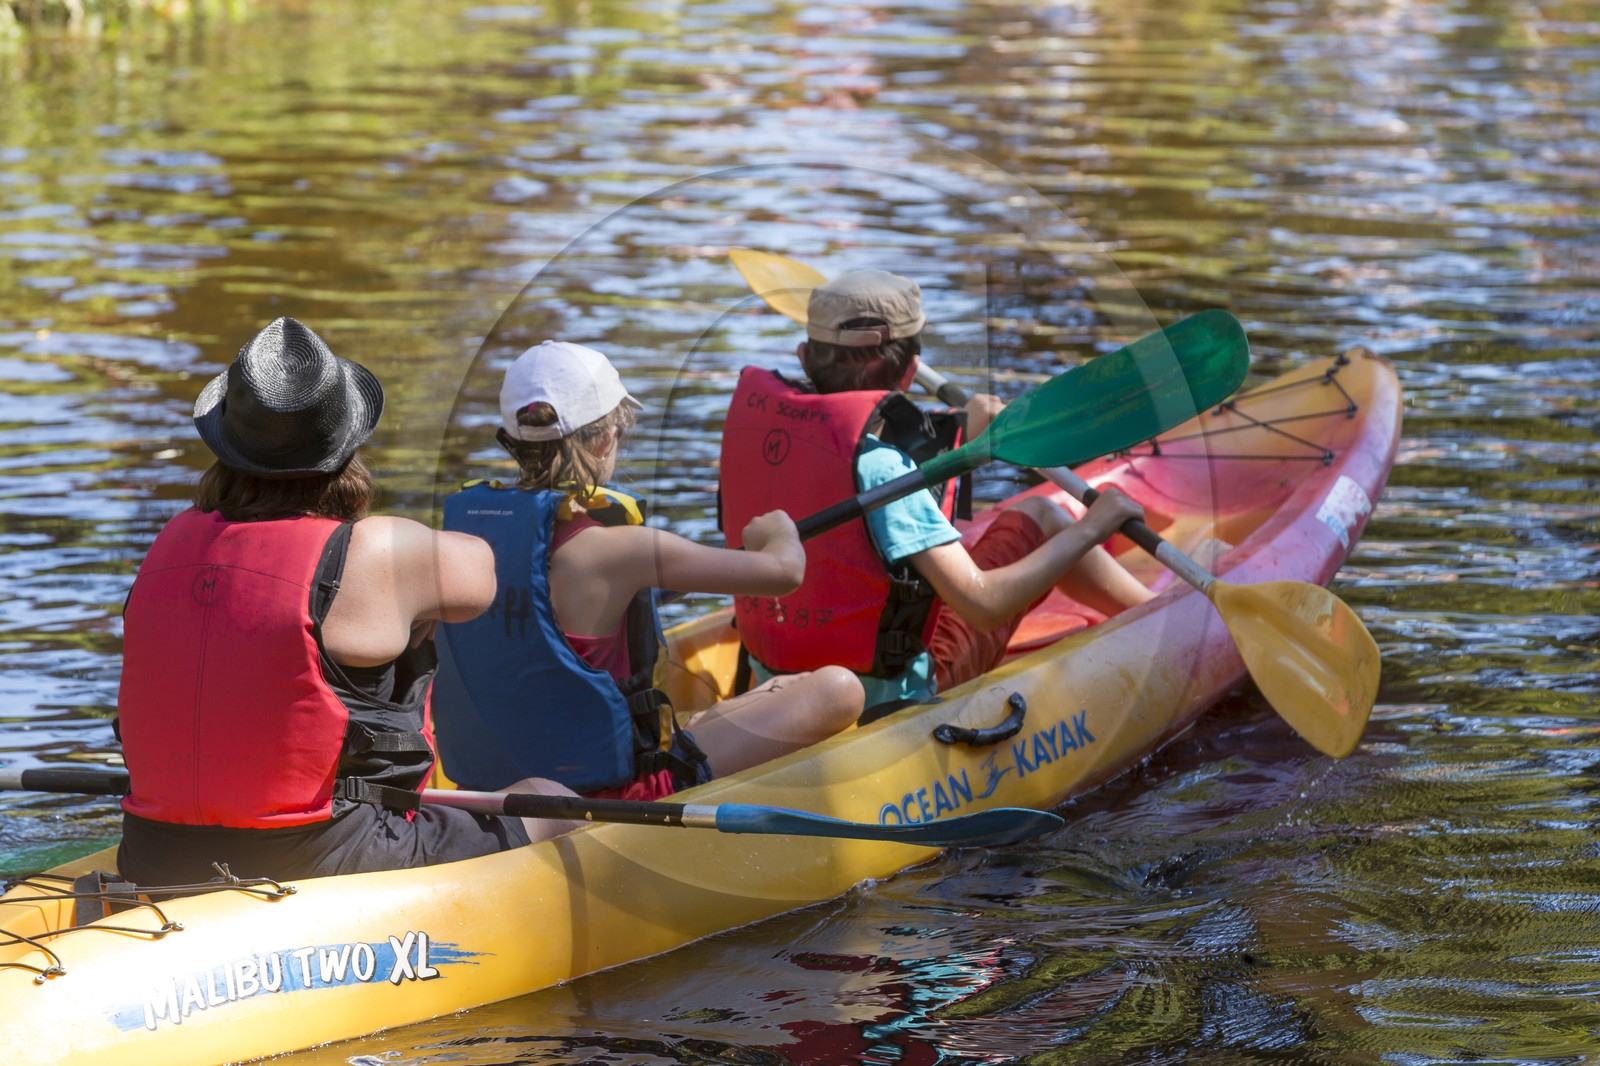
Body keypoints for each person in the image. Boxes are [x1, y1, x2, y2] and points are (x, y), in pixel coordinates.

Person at [115, 317, 574, 887]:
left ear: (226, 445)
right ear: (346, 446)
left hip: (154, 851)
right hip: (322, 854)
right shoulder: (373, 548)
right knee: (549, 800)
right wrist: (412, 604)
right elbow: (480, 574)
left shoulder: (169, 543)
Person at [432, 340, 863, 800]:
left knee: (780, 686)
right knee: (838, 689)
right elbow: (783, 572)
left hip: (488, 788)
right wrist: (776, 529)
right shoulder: (623, 549)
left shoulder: (462, 541)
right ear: (605, 439)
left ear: (512, 442)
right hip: (615, 795)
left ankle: (699, 724)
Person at [719, 269, 1157, 712]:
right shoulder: (882, 469)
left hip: (779, 678)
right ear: (911, 371)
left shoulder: (756, 437)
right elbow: (983, 606)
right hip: (885, 698)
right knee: (1044, 515)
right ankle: (1162, 615)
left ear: (803, 358)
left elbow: (851, 463)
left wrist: (963, 433)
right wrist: (1093, 527)